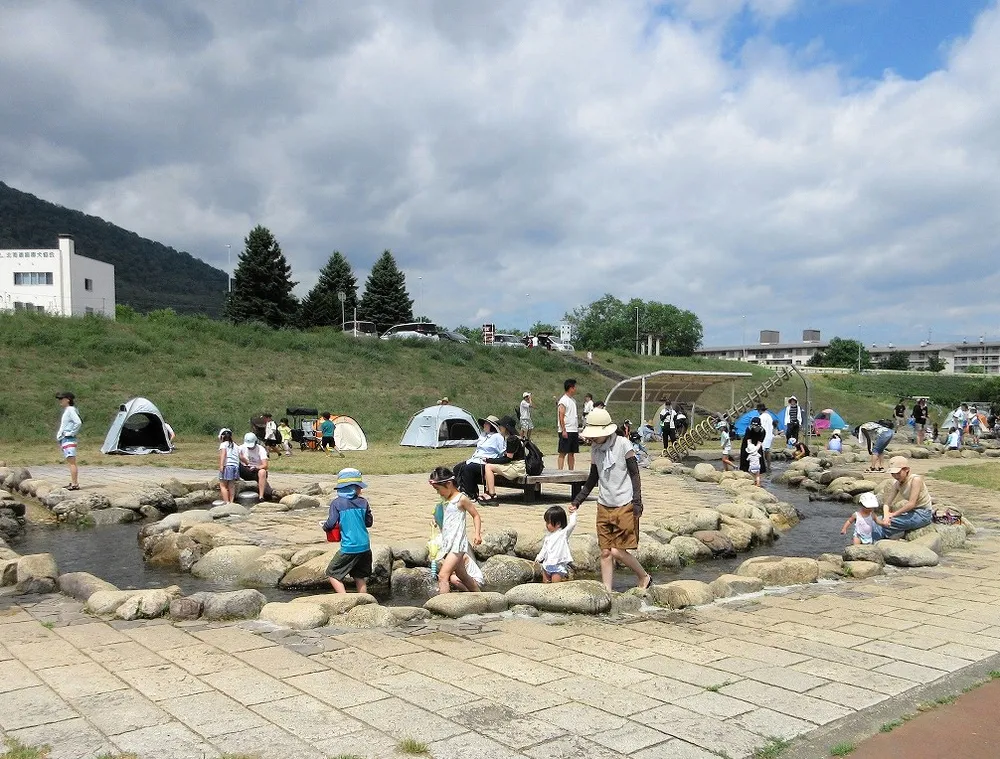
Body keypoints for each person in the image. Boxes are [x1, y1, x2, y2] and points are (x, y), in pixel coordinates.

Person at [569, 408, 652, 591]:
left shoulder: (623, 444)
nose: (592, 439)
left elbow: (634, 474)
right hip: (603, 505)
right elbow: (593, 478)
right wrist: (578, 500)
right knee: (605, 552)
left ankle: (644, 577)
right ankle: (607, 590)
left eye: (595, 435)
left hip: (624, 503)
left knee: (617, 551)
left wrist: (637, 502)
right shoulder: (595, 448)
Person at [428, 466, 483, 595]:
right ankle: (481, 595)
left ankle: (443, 606)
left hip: (457, 544)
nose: (438, 493)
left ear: (448, 483)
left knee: (443, 576)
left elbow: (476, 515)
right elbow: (444, 515)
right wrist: (435, 520)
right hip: (449, 543)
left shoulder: (461, 499)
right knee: (462, 575)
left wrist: (477, 534)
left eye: (438, 489)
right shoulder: (444, 500)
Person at [322, 468, 374, 594]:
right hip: (365, 546)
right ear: (354, 488)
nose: (361, 490)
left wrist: (324, 527)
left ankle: (344, 599)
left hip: (349, 547)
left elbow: (331, 523)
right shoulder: (363, 502)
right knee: (359, 576)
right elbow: (369, 523)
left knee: (332, 573)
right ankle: (365, 601)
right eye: (359, 487)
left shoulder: (337, 503)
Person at [872, 456, 933, 539]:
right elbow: (887, 503)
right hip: (912, 512)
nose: (896, 476)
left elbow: (911, 503)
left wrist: (893, 514)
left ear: (906, 470)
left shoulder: (915, 480)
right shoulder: (897, 484)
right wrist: (886, 515)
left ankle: (873, 543)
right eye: (893, 474)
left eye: (898, 473)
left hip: (923, 513)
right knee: (877, 520)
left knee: (885, 524)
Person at [457, 415, 506, 501]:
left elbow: (502, 452)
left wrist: (494, 462)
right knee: (457, 468)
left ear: (492, 426)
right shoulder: (483, 435)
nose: (484, 425)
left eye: (487, 424)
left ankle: (471, 494)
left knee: (468, 468)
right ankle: (464, 490)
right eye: (484, 424)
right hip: (475, 460)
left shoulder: (497, 437)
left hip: (486, 462)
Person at [483, 417, 526, 504]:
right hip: (516, 466)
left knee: (488, 467)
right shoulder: (514, 437)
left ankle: (492, 494)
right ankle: (487, 492)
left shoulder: (512, 439)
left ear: (506, 427)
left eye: (500, 426)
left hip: (517, 468)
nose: (499, 428)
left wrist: (490, 460)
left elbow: (507, 459)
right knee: (488, 469)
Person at [534, 505, 577, 583]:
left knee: (555, 586)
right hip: (546, 564)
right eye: (546, 522)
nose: (546, 525)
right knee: (545, 584)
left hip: (558, 566)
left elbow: (572, 524)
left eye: (548, 522)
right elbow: (544, 549)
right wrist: (539, 557)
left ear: (558, 524)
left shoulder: (563, 534)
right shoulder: (548, 537)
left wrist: (573, 513)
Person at [55, 391, 82, 490]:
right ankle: (73, 482)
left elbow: (78, 422)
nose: (60, 401)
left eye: (61, 399)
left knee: (72, 462)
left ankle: (75, 484)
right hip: (65, 439)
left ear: (68, 400)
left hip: (69, 439)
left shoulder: (70, 409)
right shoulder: (69, 410)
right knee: (70, 462)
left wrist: (70, 433)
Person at [238, 432, 270, 500]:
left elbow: (265, 465)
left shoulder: (260, 449)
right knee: (234, 465)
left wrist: (256, 468)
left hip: (256, 471)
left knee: (262, 472)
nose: (250, 448)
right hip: (245, 469)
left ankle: (261, 496)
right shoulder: (241, 448)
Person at [557, 379, 580, 470]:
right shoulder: (563, 400)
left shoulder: (573, 400)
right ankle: (560, 471)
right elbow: (561, 416)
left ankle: (571, 470)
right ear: (570, 388)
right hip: (566, 429)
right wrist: (563, 430)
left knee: (572, 452)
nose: (575, 389)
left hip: (573, 429)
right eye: (574, 387)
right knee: (563, 452)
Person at [217, 428, 240, 503]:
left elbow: (223, 455)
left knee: (223, 485)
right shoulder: (236, 445)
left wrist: (221, 465)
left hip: (227, 466)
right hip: (235, 466)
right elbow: (240, 456)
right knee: (231, 485)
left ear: (222, 437)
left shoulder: (223, 444)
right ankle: (231, 501)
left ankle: (226, 502)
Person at [756, 403, 775, 468]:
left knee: (762, 452)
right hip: (770, 436)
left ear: (759, 410)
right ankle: (769, 466)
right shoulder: (769, 416)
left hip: (763, 436)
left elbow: (760, 428)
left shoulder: (760, 417)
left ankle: (763, 466)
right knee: (768, 451)